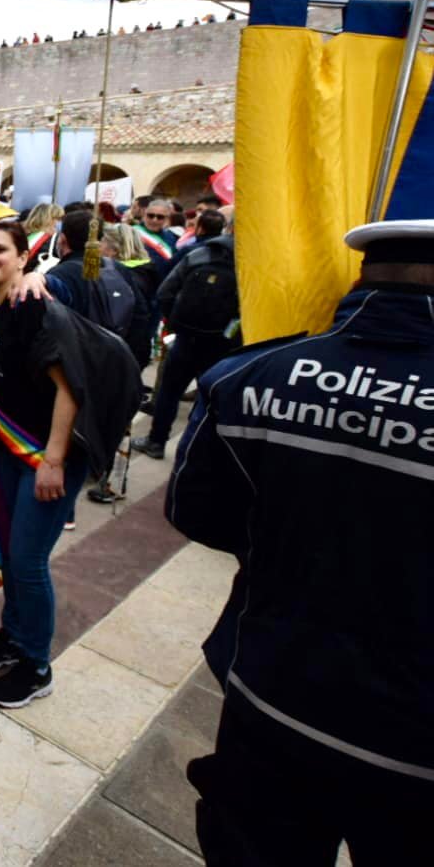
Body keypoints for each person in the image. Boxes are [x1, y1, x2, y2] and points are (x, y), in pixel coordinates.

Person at [166, 217, 434, 865]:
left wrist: (282, 544)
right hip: (413, 741)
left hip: (269, 689)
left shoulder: (251, 376)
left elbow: (192, 510)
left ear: (361, 272)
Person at [0, 221, 89, 708]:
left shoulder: (36, 308)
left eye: (0, 250)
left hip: (45, 458)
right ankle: (13, 637)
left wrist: (53, 459)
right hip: (10, 455)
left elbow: (68, 386)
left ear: (21, 258)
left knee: (29, 563)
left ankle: (37, 665)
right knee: (11, 556)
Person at [132, 221, 239, 459]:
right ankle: (198, 448)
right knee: (211, 397)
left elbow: (165, 292)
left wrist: (176, 322)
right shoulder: (254, 264)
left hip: (186, 338)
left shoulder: (198, 254)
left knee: (169, 392)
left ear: (228, 229)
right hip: (224, 343)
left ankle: (156, 441)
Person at [42, 211, 154, 368]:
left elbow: (48, 329)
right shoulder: (117, 268)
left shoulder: (59, 275)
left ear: (62, 239)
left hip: (76, 368)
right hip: (118, 361)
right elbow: (141, 316)